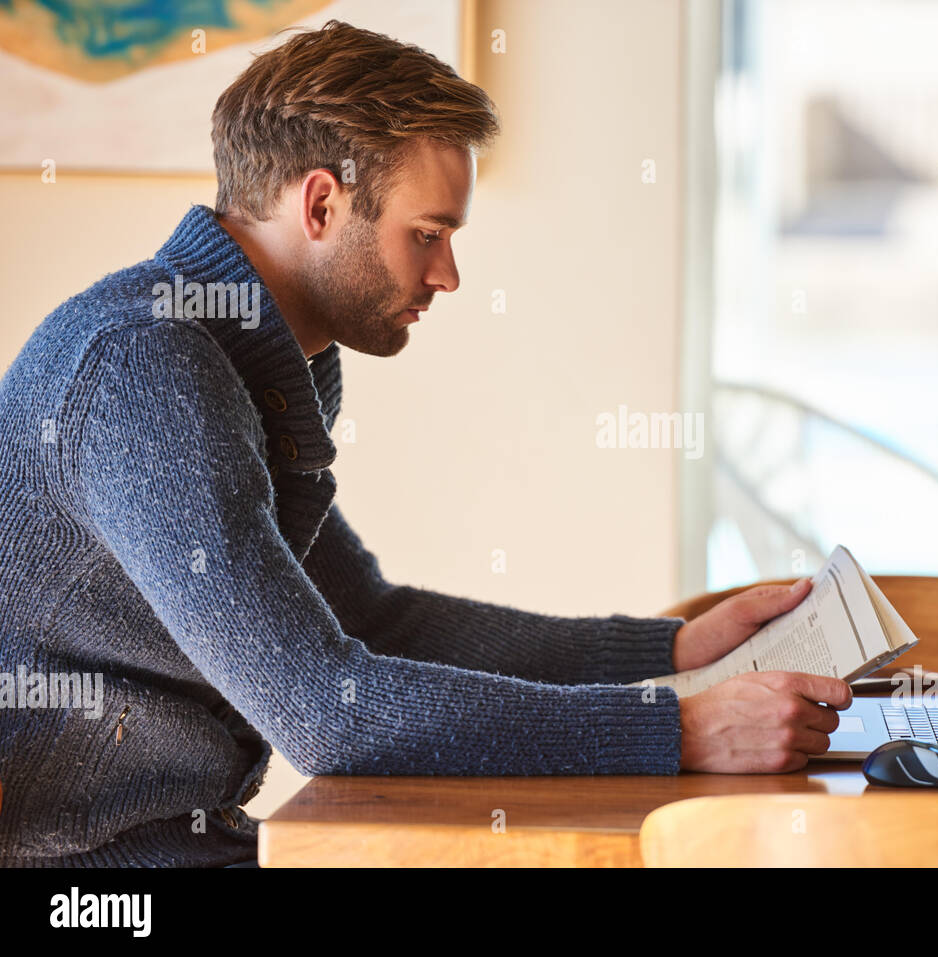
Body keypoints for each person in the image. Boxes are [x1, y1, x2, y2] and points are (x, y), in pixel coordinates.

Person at [0, 20, 850, 867]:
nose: (447, 275)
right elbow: (329, 712)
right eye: (429, 233)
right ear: (322, 204)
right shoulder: (147, 370)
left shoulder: (234, 357)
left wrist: (668, 651)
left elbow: (372, 619)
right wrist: (679, 728)